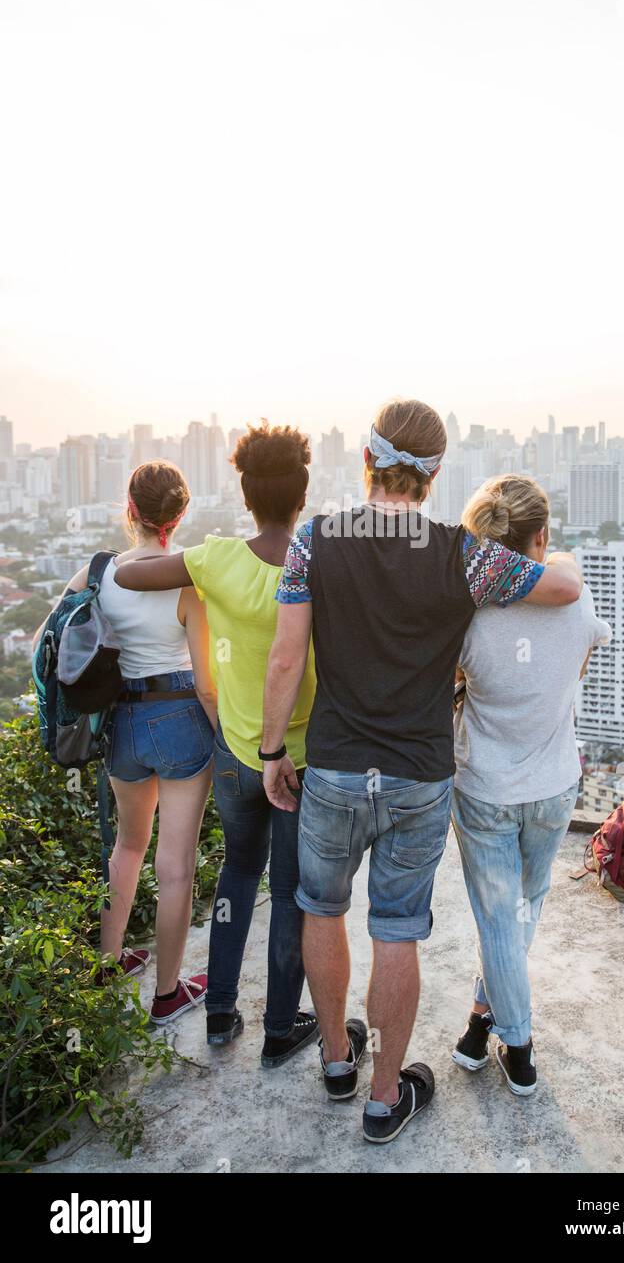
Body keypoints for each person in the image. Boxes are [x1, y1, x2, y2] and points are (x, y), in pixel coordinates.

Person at [261, 398, 583, 1145]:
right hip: (419, 776)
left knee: (322, 909)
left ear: (367, 461)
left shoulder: (316, 540)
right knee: (398, 930)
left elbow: (286, 658)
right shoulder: (462, 554)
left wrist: (273, 751)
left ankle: (338, 1062)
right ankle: (383, 1100)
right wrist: (557, 557)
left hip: (336, 767)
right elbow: (560, 588)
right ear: (435, 475)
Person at [115, 423, 319, 1064]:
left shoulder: (215, 559)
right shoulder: (319, 561)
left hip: (234, 753)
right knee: (289, 892)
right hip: (301, 758)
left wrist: (120, 555)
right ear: (303, 491)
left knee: (236, 873)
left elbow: (132, 578)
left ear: (245, 492)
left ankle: (221, 1011)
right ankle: (282, 1028)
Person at [451, 474, 611, 1094]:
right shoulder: (578, 597)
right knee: (520, 910)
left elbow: (449, 689)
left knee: (498, 920)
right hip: (553, 787)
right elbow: (578, 665)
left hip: (486, 788)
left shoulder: (468, 613)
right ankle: (487, 1027)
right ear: (543, 534)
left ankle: (512, 1042)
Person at [53, 461, 217, 1024]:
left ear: (131, 510)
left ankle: (107, 962)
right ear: (181, 514)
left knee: (126, 845)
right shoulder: (185, 581)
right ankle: (169, 994)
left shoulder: (98, 572)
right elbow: (205, 680)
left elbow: (58, 633)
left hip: (120, 722)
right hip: (179, 721)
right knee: (175, 866)